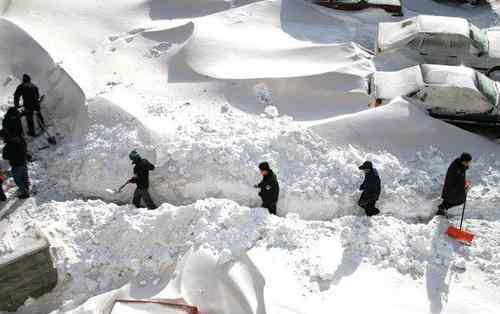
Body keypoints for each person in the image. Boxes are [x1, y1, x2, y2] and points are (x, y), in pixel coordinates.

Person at [437, 153, 472, 217]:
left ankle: (441, 212)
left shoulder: (460, 166)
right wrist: (465, 188)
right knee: (456, 201)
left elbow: (460, 180)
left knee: (449, 202)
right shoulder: (457, 169)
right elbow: (457, 181)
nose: (469, 163)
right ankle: (440, 213)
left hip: (451, 190)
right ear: (464, 161)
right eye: (468, 162)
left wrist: (465, 184)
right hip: (452, 190)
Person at [0, 130, 30, 199]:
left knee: (18, 180)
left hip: (16, 166)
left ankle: (25, 193)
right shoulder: (18, 140)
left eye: (1, 138)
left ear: (4, 137)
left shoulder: (7, 147)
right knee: (24, 177)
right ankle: (26, 188)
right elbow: (24, 146)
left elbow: (5, 156)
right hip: (23, 162)